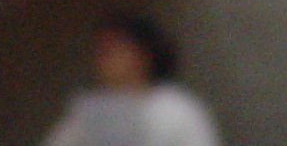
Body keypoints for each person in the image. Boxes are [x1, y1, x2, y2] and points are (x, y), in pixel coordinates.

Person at [40, 11, 220, 146]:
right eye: (100, 51)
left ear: (143, 55)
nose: (102, 59)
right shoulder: (87, 113)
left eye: (112, 51)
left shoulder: (178, 111)